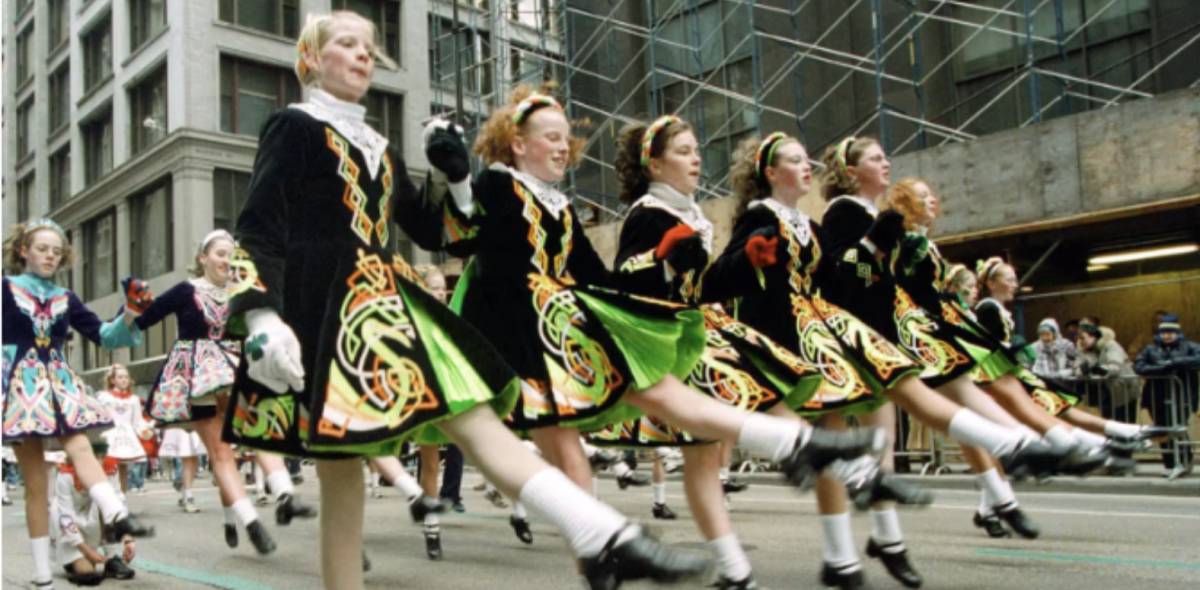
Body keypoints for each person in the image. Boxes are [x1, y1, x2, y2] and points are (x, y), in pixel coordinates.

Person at [221, 12, 716, 590]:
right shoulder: (292, 126)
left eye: (369, 46)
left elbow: (440, 235)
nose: (362, 54)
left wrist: (457, 180)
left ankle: (605, 535)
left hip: (380, 301)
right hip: (323, 307)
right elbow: (257, 224)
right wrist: (260, 314)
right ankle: (605, 536)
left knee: (469, 417)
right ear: (310, 59)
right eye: (346, 44)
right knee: (343, 477)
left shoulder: (378, 144)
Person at [597, 117, 927, 589]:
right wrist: (661, 258)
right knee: (726, 433)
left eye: (697, 149)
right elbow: (624, 279)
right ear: (653, 165)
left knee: (712, 449)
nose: (696, 159)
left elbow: (710, 284)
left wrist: (744, 263)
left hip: (711, 328)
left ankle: (739, 568)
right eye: (685, 151)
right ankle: (837, 474)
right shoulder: (647, 213)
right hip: (676, 341)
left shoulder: (693, 214)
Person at [3, 219, 155, 590]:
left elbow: (104, 334)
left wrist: (132, 311)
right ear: (24, 250)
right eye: (42, 249)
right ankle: (42, 575)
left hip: (59, 383)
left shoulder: (65, 298)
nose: (50, 256)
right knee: (36, 485)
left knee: (81, 445)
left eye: (56, 251)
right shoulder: (5, 288)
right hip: (21, 387)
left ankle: (117, 512)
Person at [50, 441, 138, 585]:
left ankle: (111, 557)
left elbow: (117, 505)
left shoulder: (110, 469)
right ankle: (73, 559)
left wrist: (128, 539)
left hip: (93, 513)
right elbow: (65, 517)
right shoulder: (65, 475)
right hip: (69, 519)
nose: (97, 462)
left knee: (105, 502)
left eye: (100, 457)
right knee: (87, 574)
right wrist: (87, 551)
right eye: (91, 457)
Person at [1133, 313, 1198, 479]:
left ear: (1177, 333)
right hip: (1156, 396)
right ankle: (1170, 464)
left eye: (1170, 333)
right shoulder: (1150, 349)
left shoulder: (1189, 346)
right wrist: (1162, 370)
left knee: (1179, 428)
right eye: (1164, 333)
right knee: (1162, 429)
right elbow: (1139, 366)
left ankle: (1184, 461)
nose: (1167, 336)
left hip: (1182, 395)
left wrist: (1176, 363)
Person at [96, 365, 153, 497]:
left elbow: (137, 421)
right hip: (109, 436)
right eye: (120, 377)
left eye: (126, 377)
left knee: (124, 468)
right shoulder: (104, 397)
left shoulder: (134, 399)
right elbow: (99, 416)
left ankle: (122, 500)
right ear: (112, 380)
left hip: (127, 437)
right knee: (109, 468)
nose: (124, 380)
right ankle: (109, 499)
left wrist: (147, 428)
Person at [1074, 321, 1140, 422]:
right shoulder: (1083, 351)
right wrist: (1083, 372)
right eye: (1078, 338)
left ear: (1093, 336)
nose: (1080, 341)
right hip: (1104, 392)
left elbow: (1116, 365)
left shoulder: (1111, 345)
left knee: (1125, 421)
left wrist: (1101, 370)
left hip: (1123, 390)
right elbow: (1076, 368)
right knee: (1108, 422)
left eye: (1083, 337)